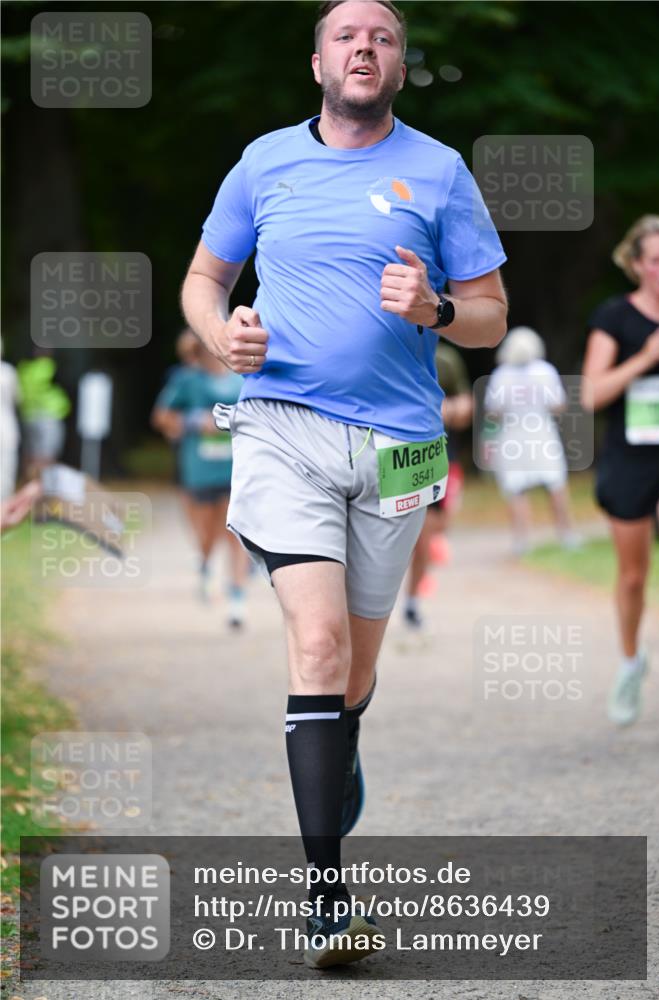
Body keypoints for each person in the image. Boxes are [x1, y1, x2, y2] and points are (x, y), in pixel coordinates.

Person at [182, 0, 507, 968]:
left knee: (353, 672)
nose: (365, 48)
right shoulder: (264, 162)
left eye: (384, 38)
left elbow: (489, 314)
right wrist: (219, 333)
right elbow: (204, 280)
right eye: (346, 36)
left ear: (399, 66)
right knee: (315, 644)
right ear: (317, 60)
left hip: (399, 447)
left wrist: (436, 304)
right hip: (281, 428)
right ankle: (328, 896)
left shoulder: (440, 172)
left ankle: (340, 741)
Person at [582, 215, 659, 727]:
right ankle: (632, 661)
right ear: (636, 264)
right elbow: (591, 395)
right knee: (633, 577)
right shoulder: (615, 317)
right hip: (630, 458)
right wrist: (646, 358)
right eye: (656, 260)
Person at [151, 335, 249, 626]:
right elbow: (161, 417)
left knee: (237, 534)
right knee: (208, 533)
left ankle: (237, 601)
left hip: (237, 468)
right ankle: (206, 565)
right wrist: (194, 421)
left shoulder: (242, 378)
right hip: (200, 468)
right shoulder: (186, 380)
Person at [484, 326, 580, 555]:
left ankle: (521, 541)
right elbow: (559, 405)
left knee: (516, 489)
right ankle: (567, 534)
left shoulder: (501, 375)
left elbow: (493, 411)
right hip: (542, 433)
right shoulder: (545, 371)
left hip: (512, 435)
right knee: (556, 484)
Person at [404, 342, 473, 628]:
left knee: (426, 533)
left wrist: (448, 409)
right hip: (386, 453)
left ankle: (412, 601)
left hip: (434, 454)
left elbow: (466, 405)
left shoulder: (444, 359)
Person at [17, 351, 70, 479]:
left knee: (30, 455)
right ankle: (43, 488)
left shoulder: (25, 368)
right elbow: (65, 385)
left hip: (28, 416)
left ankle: (29, 484)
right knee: (47, 456)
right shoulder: (50, 367)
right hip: (49, 416)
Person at [1, 340, 21, 500]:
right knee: (6, 468)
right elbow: (17, 398)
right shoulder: (9, 372)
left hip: (6, 426)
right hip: (7, 426)